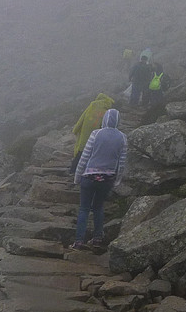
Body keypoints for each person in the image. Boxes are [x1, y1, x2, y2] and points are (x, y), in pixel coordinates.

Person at [70, 108, 126, 251]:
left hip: (89, 177)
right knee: (99, 207)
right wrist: (117, 180)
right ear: (118, 120)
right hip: (107, 179)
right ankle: (97, 239)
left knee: (84, 209)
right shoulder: (122, 137)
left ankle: (78, 241)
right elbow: (122, 162)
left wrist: (77, 177)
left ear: (105, 119)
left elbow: (84, 157)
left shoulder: (96, 134)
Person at [70, 92, 114, 174]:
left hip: (85, 132)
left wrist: (75, 130)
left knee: (81, 150)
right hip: (96, 134)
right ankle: (86, 170)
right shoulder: (107, 111)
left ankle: (73, 170)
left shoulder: (92, 106)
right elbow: (104, 124)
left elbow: (82, 118)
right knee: (91, 152)